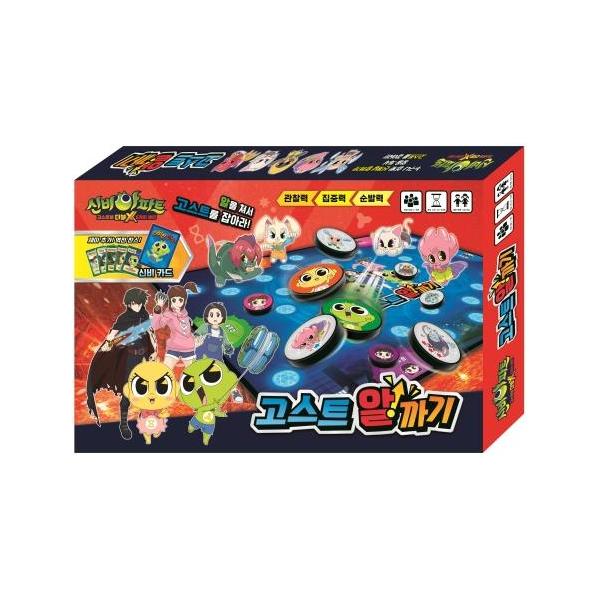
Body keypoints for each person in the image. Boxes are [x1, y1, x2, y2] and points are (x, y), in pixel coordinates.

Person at [86, 287, 155, 440]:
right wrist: (108, 343)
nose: (136, 306)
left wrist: (153, 350)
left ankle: (146, 416)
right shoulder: (124, 318)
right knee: (127, 390)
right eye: (133, 303)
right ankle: (123, 423)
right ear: (128, 303)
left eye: (139, 303)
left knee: (147, 387)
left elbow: (149, 331)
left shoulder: (144, 314)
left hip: (144, 356)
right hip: (130, 357)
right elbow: (112, 334)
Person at [151, 282, 199, 369]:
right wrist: (158, 307)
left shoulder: (184, 313)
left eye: (180, 300)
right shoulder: (169, 314)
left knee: (193, 372)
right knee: (165, 371)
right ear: (170, 301)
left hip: (188, 348)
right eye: (174, 300)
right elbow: (156, 325)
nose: (177, 303)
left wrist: (195, 339)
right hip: (174, 348)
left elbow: (186, 331)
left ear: (184, 301)